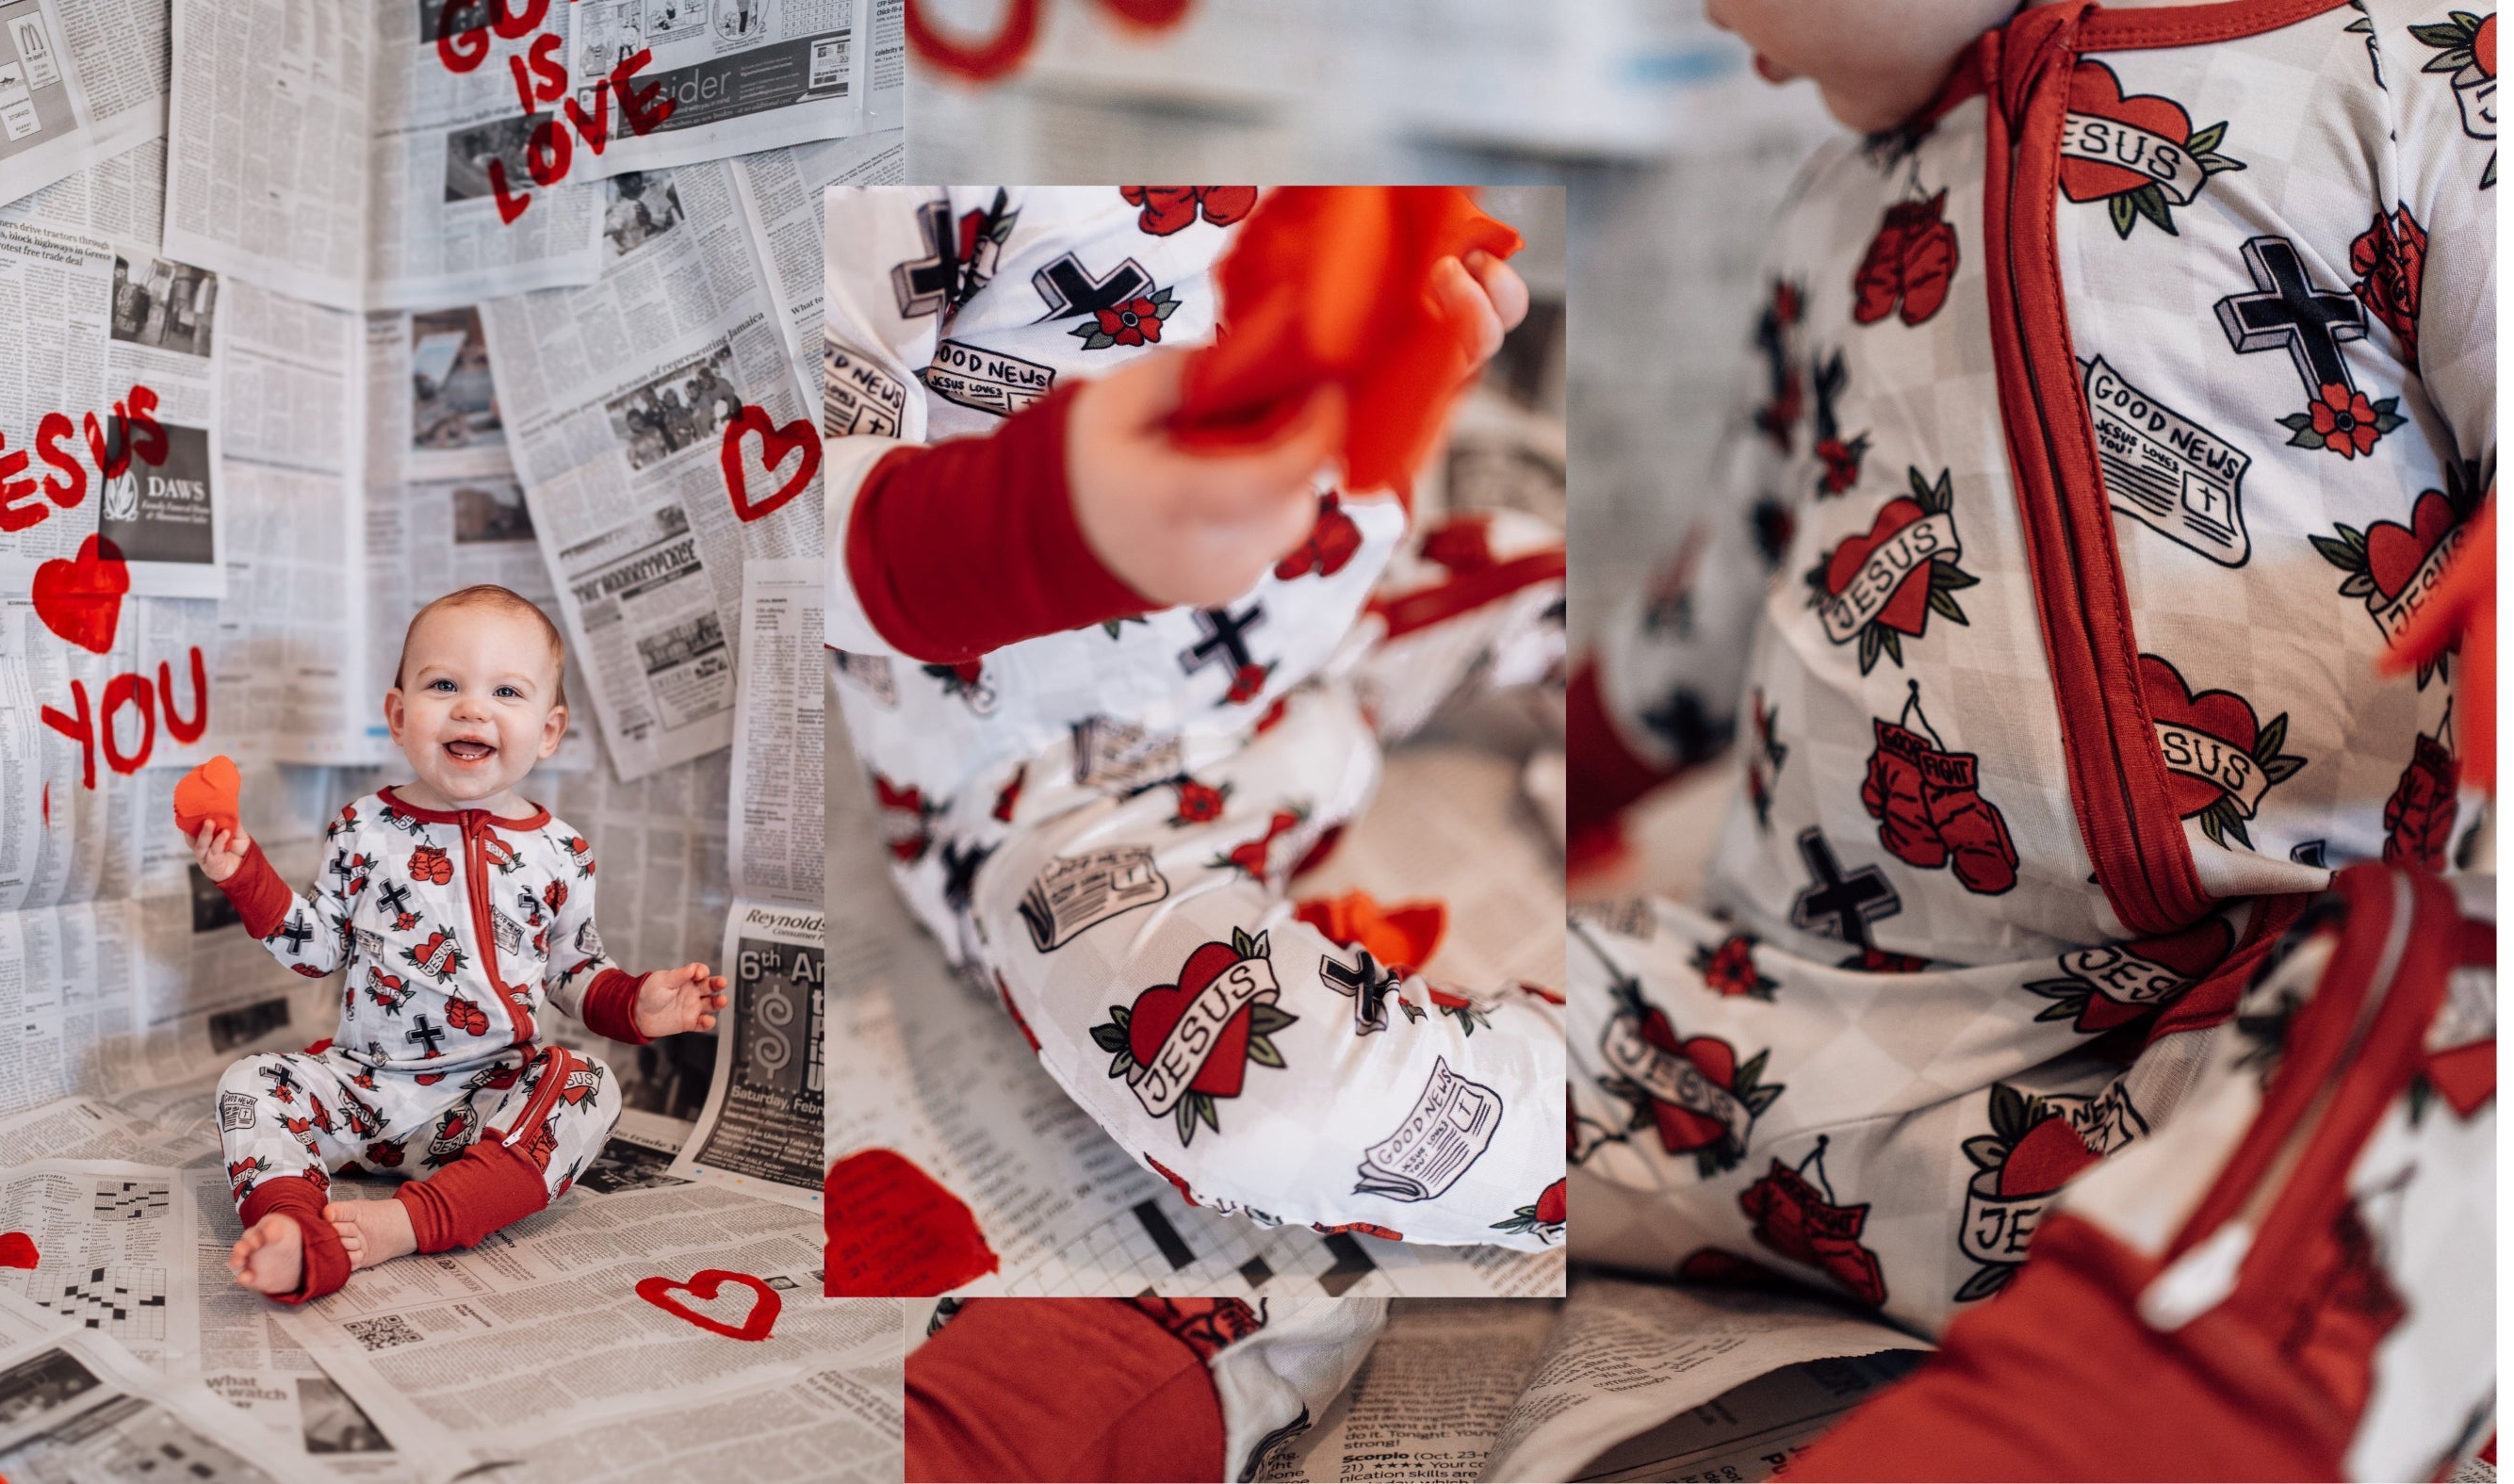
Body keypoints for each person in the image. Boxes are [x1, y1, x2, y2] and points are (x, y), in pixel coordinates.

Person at [1567, 0, 2492, 1472]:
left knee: (2458, 1071)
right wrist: (1539, 765)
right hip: (1830, 1052)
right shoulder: (1832, 210)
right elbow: (1709, 611)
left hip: (2262, 1021)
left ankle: (2108, 1414)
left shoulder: (2416, 72)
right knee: (1431, 1053)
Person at [824, 186, 1569, 1249]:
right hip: (1056, 799)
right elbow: (794, 509)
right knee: (1271, 1119)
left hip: (1331, 638)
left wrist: (1427, 343)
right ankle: (1663, 1100)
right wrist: (1059, 519)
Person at [188, 585, 727, 1304]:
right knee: (247, 1084)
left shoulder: (563, 854)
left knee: (589, 1087)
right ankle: (294, 1227)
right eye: (445, 684)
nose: (472, 708)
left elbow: (573, 971)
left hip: (484, 1104)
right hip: (363, 1089)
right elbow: (315, 948)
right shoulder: (363, 829)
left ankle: (407, 1223)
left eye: (507, 690)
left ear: (548, 730)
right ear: (400, 715)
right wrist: (243, 872)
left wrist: (636, 1003)